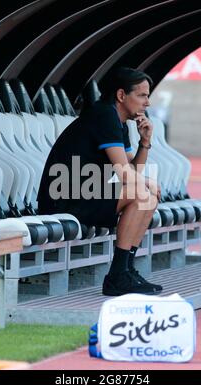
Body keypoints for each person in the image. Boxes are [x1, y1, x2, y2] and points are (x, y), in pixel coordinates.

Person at [38, 67, 163, 296]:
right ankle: (117, 275)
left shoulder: (120, 122)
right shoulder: (104, 115)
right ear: (121, 95)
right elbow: (125, 174)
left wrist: (145, 142)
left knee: (147, 199)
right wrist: (148, 182)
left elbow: (132, 169)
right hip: (65, 197)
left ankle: (124, 270)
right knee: (143, 194)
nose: (147, 102)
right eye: (142, 95)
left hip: (87, 193)